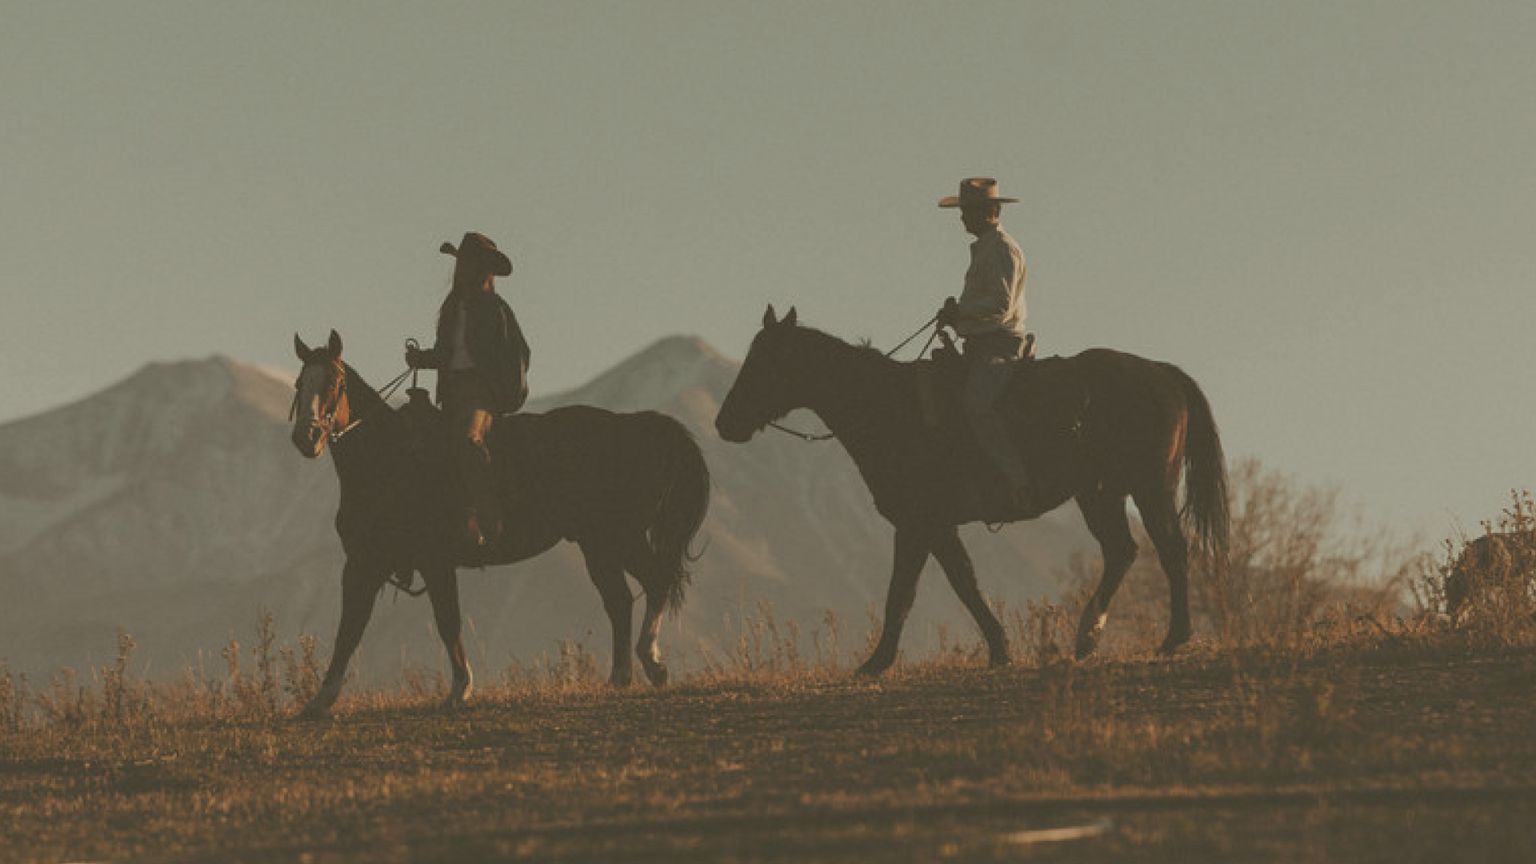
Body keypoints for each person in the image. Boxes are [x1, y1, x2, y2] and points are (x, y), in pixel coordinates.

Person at [406, 231, 531, 551]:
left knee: (467, 442)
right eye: (460, 262)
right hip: (451, 391)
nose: (460, 269)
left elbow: (517, 353)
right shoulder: (452, 309)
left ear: (480, 268)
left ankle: (490, 522)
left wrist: (500, 388)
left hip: (480, 393)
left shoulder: (495, 309)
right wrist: (423, 359)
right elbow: (447, 353)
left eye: (466, 263)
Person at [935, 177, 1032, 513]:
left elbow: (1000, 305)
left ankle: (1017, 482)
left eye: (970, 211)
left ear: (992, 211)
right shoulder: (986, 249)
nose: (963, 218)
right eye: (964, 211)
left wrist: (959, 312)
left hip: (1000, 345)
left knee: (977, 405)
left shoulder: (1003, 249)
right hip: (981, 344)